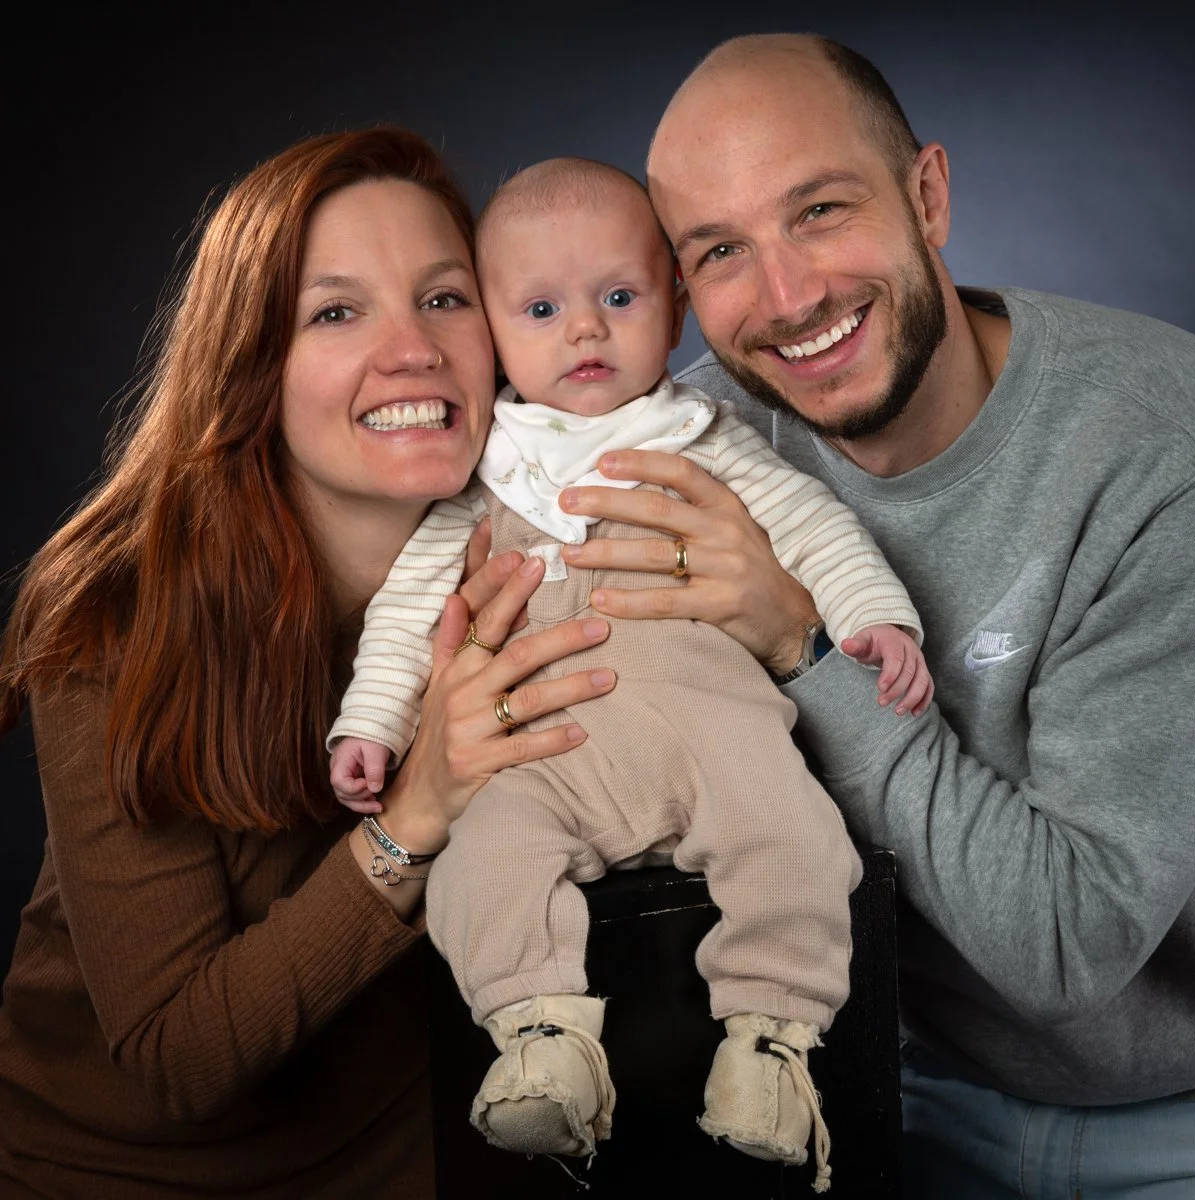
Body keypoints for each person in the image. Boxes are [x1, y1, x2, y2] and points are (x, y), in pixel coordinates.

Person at [537, 30, 1195, 1200]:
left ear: (928, 196)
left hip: (1169, 1114)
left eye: (822, 211)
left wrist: (800, 644)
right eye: (722, 250)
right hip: (884, 1086)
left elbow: (1070, 943)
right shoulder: (684, 448)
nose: (791, 298)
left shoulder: (1157, 446)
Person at [0, 127, 620, 1199]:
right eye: (335, 312)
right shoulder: (115, 619)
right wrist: (413, 817)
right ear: (252, 366)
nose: (414, 351)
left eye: (444, 297)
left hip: (415, 1166)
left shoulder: (555, 535)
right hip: (120, 1176)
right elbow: (177, 1058)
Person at [326, 157, 931, 1183]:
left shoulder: (701, 442)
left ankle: (773, 1050)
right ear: (495, 329)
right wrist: (372, 723)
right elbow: (407, 609)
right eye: (543, 307)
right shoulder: (489, 475)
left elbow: (815, 526)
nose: (586, 330)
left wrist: (874, 618)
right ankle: (539, 1045)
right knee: (479, 867)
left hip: (716, 738)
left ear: (675, 308)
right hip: (543, 760)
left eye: (618, 297)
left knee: (798, 840)